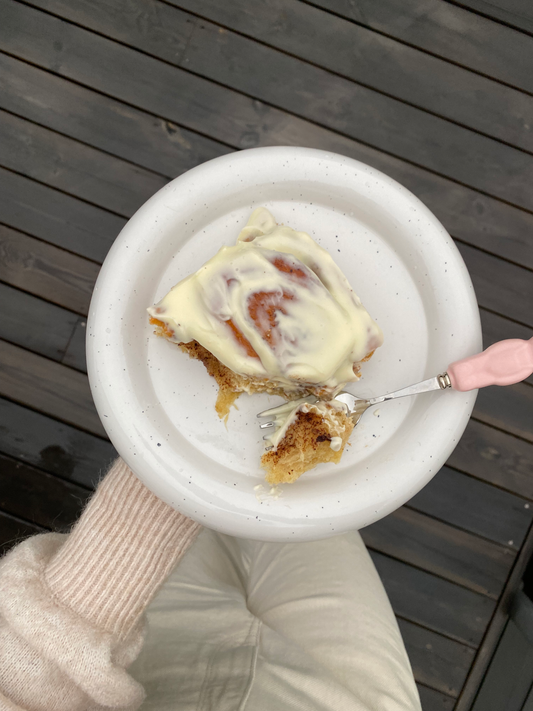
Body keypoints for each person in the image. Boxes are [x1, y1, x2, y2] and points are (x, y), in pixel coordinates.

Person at [0, 459, 422, 710]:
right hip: (339, 695)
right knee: (325, 489)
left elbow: (25, 674)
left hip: (154, 655)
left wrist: (177, 460)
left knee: (288, 474)